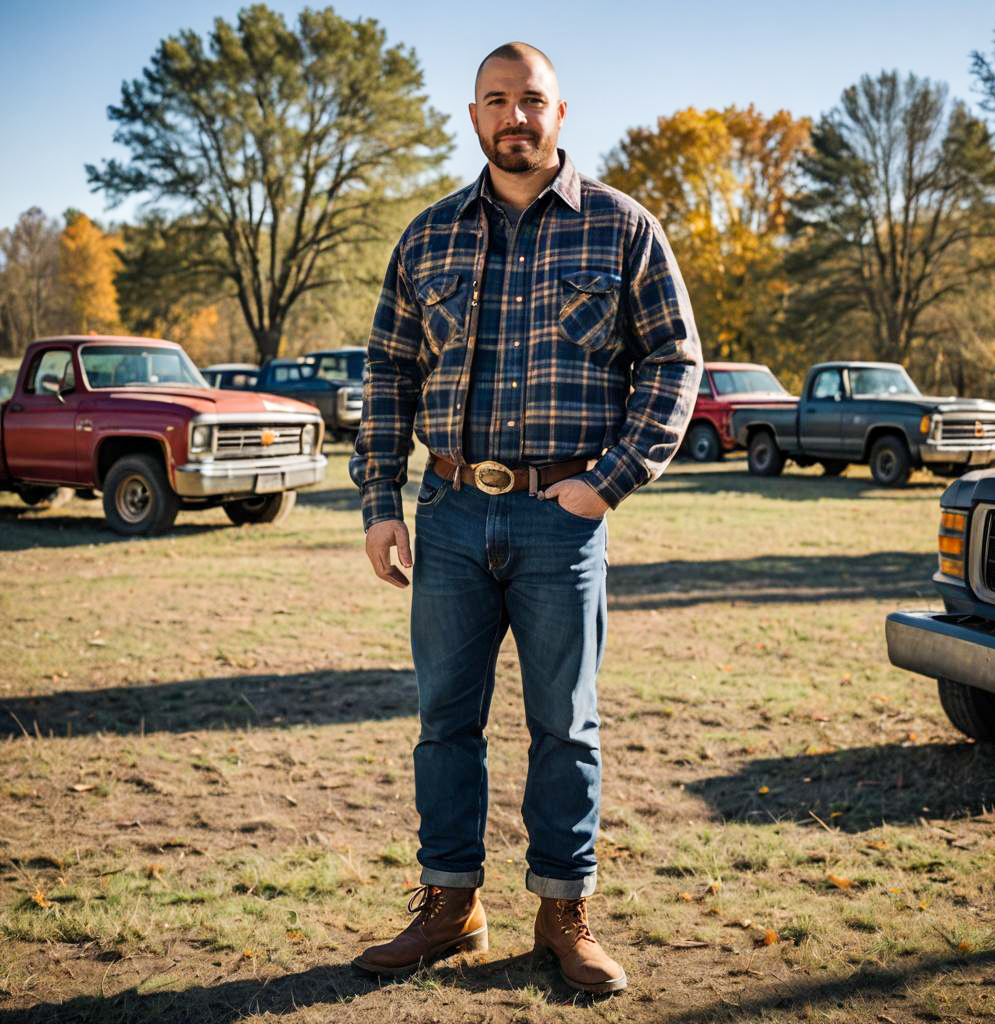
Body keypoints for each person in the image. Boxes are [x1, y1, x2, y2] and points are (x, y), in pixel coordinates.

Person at [349, 41, 701, 994]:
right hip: (452, 511)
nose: (515, 116)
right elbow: (387, 371)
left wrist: (610, 481)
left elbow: (675, 362)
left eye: (531, 100)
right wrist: (382, 501)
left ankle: (563, 910)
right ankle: (451, 904)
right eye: (496, 101)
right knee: (444, 722)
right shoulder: (426, 238)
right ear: (473, 116)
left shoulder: (623, 229)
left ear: (561, 112)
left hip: (562, 517)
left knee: (566, 727)